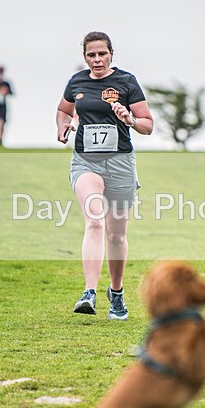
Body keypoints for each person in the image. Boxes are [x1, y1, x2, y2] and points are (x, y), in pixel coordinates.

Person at [55, 31, 154, 320]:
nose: (97, 59)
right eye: (91, 55)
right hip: (86, 162)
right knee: (95, 222)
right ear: (84, 57)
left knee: (116, 234)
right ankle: (89, 292)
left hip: (121, 162)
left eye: (102, 54)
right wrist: (63, 126)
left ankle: (117, 292)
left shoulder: (126, 82)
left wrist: (130, 119)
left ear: (111, 53)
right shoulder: (77, 82)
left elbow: (148, 126)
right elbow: (63, 110)